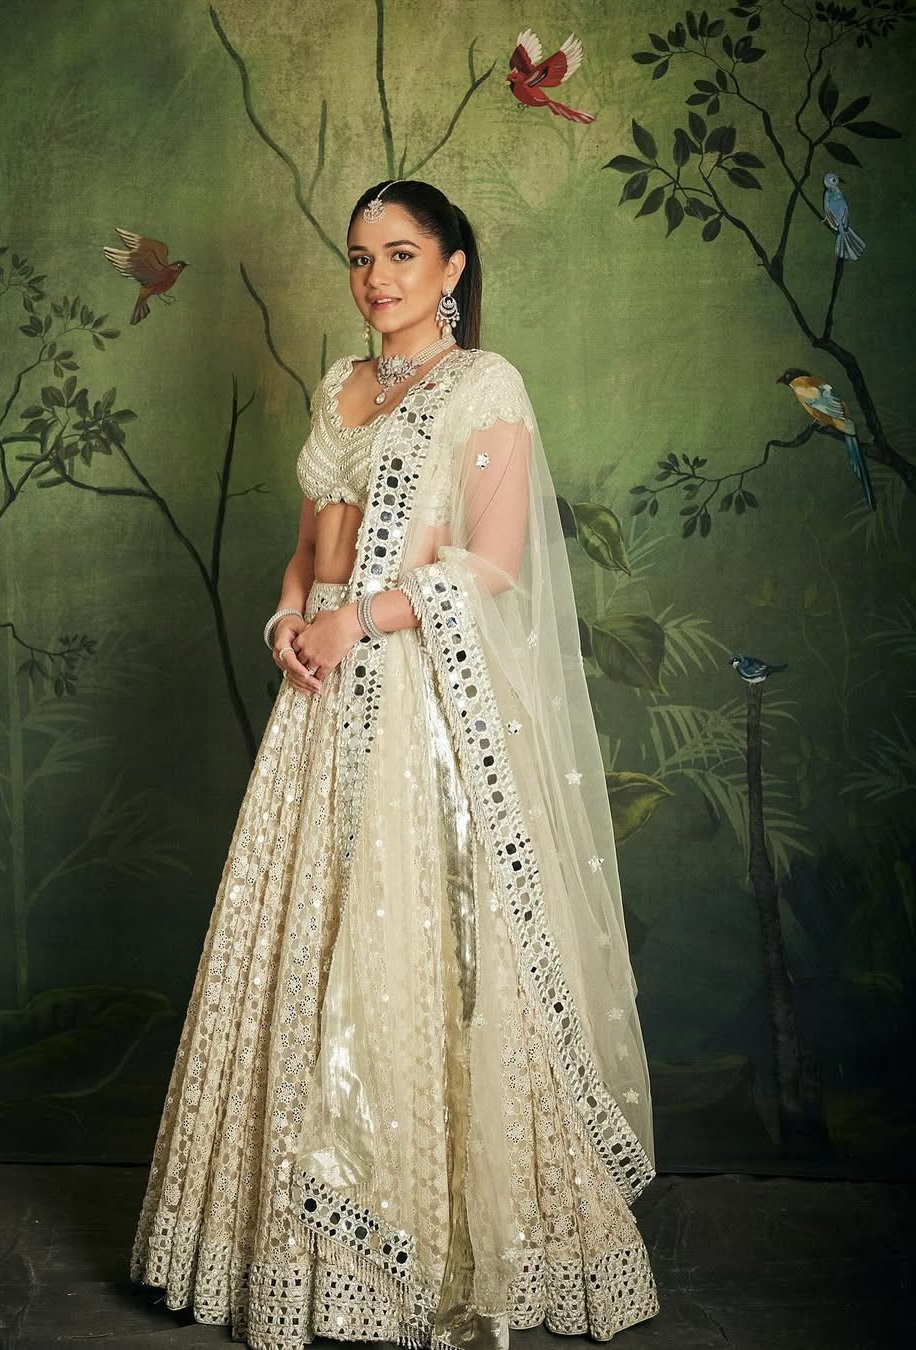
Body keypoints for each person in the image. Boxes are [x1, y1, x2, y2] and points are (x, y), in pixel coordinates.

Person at [130, 179, 661, 1347]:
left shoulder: (484, 387)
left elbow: (495, 563)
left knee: (399, 944)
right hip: (317, 696)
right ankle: (283, 1251)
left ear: (453, 269)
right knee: (294, 941)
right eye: (361, 257)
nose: (376, 278)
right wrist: (288, 617)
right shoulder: (343, 384)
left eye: (403, 255)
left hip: (410, 702)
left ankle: (411, 1243)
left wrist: (356, 621)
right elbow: (311, 541)